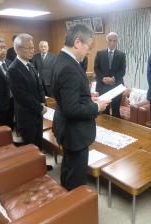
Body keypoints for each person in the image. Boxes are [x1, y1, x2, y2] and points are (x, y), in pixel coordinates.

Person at [51, 24, 110, 190]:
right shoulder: (69, 67)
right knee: (76, 176)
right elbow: (72, 110)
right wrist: (96, 107)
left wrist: (87, 97)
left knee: (69, 166)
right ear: (77, 42)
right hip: (74, 132)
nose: (89, 52)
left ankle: (68, 197)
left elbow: (67, 94)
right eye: (88, 47)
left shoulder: (60, 59)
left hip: (66, 128)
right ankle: (75, 206)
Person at [7, 33, 46, 151]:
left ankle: (41, 165)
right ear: (18, 49)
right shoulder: (13, 69)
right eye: (29, 48)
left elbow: (39, 86)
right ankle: (35, 168)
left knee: (39, 140)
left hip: (37, 112)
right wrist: (39, 108)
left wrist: (43, 102)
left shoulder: (30, 64)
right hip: (26, 115)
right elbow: (21, 96)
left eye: (33, 48)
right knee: (31, 146)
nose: (32, 51)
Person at [94, 32, 126, 118]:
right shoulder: (100, 53)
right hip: (103, 87)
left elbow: (122, 71)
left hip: (116, 87)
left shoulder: (121, 55)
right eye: (110, 40)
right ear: (107, 41)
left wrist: (113, 79)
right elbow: (96, 69)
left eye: (114, 41)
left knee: (116, 111)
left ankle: (116, 130)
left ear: (117, 42)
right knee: (104, 111)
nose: (112, 42)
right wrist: (103, 79)